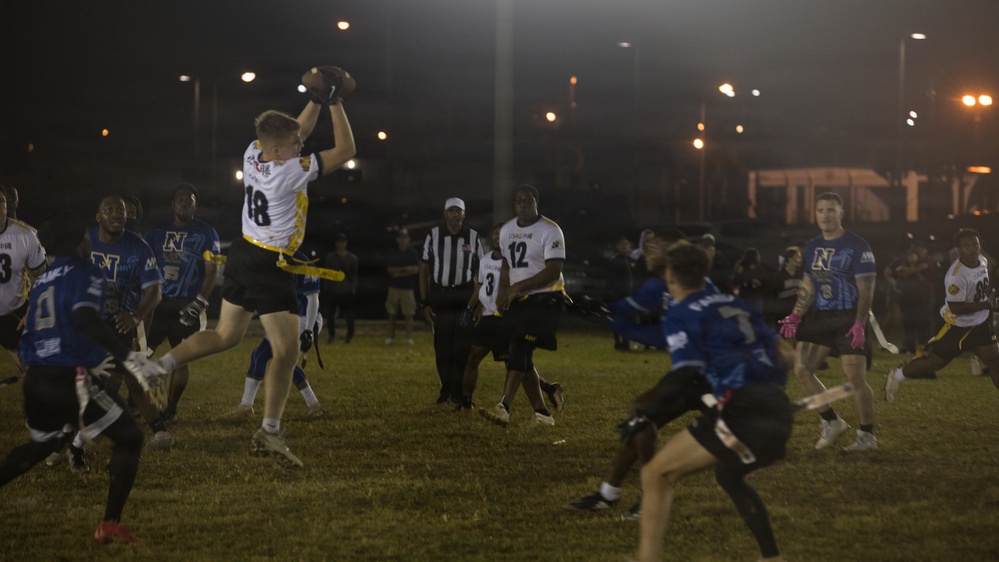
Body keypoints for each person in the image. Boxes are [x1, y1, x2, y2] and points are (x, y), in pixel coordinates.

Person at [155, 72, 356, 467]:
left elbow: (292, 131)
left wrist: (314, 98)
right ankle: (270, 431)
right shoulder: (289, 171)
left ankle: (158, 366)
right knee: (287, 350)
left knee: (226, 334)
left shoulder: (253, 151)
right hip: (268, 263)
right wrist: (334, 102)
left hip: (244, 252)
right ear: (281, 152)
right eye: (295, 145)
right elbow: (346, 148)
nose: (302, 145)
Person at [0, 210, 165, 544]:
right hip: (68, 378)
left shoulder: (45, 279)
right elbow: (87, 318)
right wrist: (129, 358)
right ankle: (110, 523)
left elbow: (30, 330)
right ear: (80, 242)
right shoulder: (85, 270)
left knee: (41, 446)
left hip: (37, 379)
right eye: (87, 237)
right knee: (131, 438)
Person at [634, 242, 792, 562]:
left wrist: (645, 414)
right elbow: (786, 355)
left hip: (741, 411)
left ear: (669, 275)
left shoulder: (680, 313)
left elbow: (685, 373)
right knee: (729, 475)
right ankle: (772, 558)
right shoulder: (737, 304)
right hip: (778, 407)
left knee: (655, 474)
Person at [566, 232, 716, 520]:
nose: (644, 251)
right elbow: (627, 308)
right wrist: (582, 306)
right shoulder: (660, 284)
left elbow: (663, 336)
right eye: (644, 245)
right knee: (640, 419)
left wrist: (613, 321)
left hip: (714, 377)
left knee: (642, 416)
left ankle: (652, 495)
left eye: (652, 246)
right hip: (691, 374)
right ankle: (608, 495)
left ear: (671, 250)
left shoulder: (695, 286)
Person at [778, 192, 878, 451]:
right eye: (821, 210)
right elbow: (809, 284)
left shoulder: (858, 245)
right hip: (821, 317)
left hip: (849, 316)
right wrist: (796, 314)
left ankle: (867, 436)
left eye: (831, 210)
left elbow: (866, 287)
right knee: (801, 370)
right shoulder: (811, 246)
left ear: (841, 213)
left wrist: (860, 322)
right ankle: (832, 421)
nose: (825, 215)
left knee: (854, 377)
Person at [78, 195, 169, 456]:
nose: (116, 214)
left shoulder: (139, 247)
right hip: (89, 321)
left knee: (113, 381)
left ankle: (76, 442)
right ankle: (160, 430)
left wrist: (137, 317)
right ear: (98, 217)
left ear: (127, 216)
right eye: (108, 209)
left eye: (120, 210)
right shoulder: (83, 240)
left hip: (122, 323)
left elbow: (154, 291)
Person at [455, 224, 564, 413]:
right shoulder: (485, 259)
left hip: (505, 316)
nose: (498, 238)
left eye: (501, 234)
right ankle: (466, 402)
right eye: (495, 234)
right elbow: (482, 286)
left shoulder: (514, 261)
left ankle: (520, 404)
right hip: (488, 317)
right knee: (475, 356)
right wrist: (473, 306)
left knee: (516, 363)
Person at [480, 185, 562, 426]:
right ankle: (543, 413)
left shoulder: (551, 230)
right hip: (519, 299)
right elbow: (506, 265)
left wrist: (518, 287)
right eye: (518, 201)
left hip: (546, 298)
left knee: (520, 347)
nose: (523, 205)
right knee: (513, 354)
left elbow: (554, 272)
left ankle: (503, 407)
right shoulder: (507, 230)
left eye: (528, 200)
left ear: (537, 202)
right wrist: (503, 292)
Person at [885, 229, 999, 400]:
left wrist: (987, 299)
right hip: (958, 326)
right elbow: (956, 308)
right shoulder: (956, 275)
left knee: (995, 362)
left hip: (980, 324)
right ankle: (897, 375)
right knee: (935, 363)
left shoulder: (982, 261)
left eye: (975, 244)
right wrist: (986, 304)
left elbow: (979, 288)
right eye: (966, 246)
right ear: (958, 250)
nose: (972, 249)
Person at [145, 184, 220, 423]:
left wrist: (200, 301)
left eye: (190, 200)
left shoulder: (207, 233)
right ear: (173, 204)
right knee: (141, 354)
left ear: (196, 205)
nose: (185, 203)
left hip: (187, 304)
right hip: (158, 302)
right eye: (180, 199)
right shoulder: (157, 233)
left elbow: (212, 270)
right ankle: (135, 402)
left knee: (181, 358)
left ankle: (171, 408)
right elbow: (144, 267)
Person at [235, 249, 326, 418]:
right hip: (287, 316)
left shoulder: (304, 265)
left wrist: (308, 331)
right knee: (259, 355)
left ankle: (314, 405)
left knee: (284, 361)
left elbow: (313, 299)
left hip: (306, 317)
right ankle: (246, 406)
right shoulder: (271, 263)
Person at [418, 197, 483, 404]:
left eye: (459, 211)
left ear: (464, 214)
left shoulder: (473, 237)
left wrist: (479, 303)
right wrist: (425, 302)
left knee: (462, 348)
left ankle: (460, 392)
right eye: (451, 210)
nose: (455, 214)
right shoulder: (433, 235)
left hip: (464, 296)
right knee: (443, 347)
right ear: (445, 213)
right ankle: (446, 388)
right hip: (441, 296)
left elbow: (482, 273)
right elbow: (424, 271)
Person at [0, 189, 47, 376]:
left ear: (6, 206)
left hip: (15, 313)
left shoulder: (25, 235)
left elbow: (42, 276)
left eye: (1, 202)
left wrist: (33, 308)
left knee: (32, 370)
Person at [883, 241, 938, 354]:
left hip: (925, 296)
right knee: (908, 322)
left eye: (921, 249)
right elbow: (892, 271)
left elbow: (915, 274)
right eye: (917, 249)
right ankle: (909, 346)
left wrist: (907, 270)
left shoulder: (927, 261)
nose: (919, 251)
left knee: (924, 322)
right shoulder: (903, 260)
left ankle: (925, 347)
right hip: (908, 296)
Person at [386, 228, 420, 346]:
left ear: (408, 239)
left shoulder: (413, 253)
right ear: (397, 239)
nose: (403, 240)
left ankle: (409, 338)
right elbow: (390, 270)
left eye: (405, 238)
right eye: (401, 238)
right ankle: (390, 337)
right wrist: (406, 269)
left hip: (408, 288)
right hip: (394, 287)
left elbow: (415, 269)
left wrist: (400, 272)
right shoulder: (392, 252)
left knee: (409, 314)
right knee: (392, 314)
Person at [323, 232, 358, 344]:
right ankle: (331, 335)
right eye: (339, 242)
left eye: (343, 242)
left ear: (346, 243)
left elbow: (354, 274)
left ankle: (349, 335)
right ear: (336, 243)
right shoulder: (330, 257)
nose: (341, 244)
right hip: (333, 290)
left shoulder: (352, 258)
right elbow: (327, 273)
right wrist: (327, 287)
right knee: (330, 316)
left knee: (349, 315)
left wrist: (352, 288)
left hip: (346, 290)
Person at [607, 235, 637, 351]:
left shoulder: (632, 262)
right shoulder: (614, 262)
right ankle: (617, 340)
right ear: (617, 247)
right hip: (618, 295)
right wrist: (620, 289)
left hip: (630, 295)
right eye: (622, 244)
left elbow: (636, 277)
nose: (625, 247)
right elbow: (611, 279)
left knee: (629, 319)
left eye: (626, 244)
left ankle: (626, 341)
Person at [770, 246, 803, 329]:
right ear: (790, 258)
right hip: (783, 314)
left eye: (800, 257)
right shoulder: (780, 275)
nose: (800, 260)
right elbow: (773, 294)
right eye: (797, 257)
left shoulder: (800, 275)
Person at [731, 247, 769, 314]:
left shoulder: (758, 269)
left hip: (750, 296)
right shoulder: (757, 268)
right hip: (750, 296)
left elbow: (735, 282)